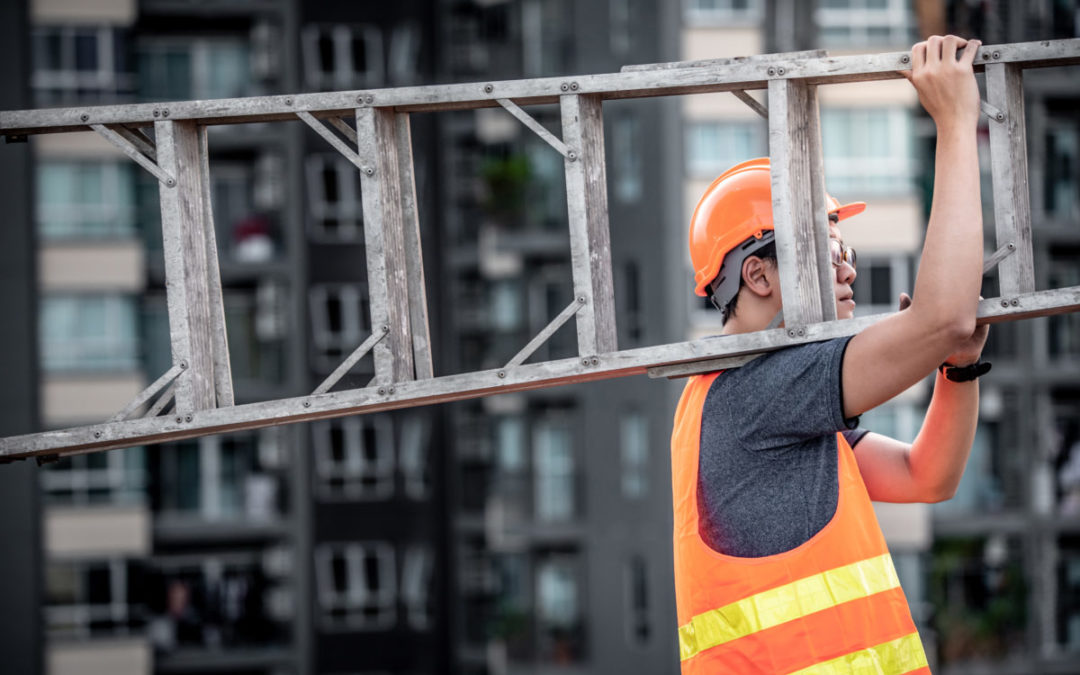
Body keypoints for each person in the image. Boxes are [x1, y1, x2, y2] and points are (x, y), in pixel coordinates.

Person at [671, 35, 988, 673]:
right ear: (759, 278)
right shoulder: (755, 392)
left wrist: (956, 369)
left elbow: (929, 477)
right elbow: (946, 315)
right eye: (831, 251)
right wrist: (955, 123)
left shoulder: (748, 399)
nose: (849, 269)